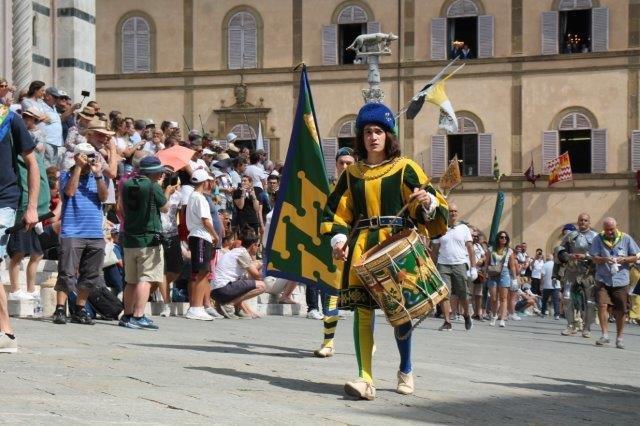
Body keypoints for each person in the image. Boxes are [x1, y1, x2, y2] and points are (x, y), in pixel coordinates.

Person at [321, 102, 448, 400]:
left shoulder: (406, 168)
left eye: (378, 131)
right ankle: (365, 378)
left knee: (400, 311)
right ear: (361, 137)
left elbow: (431, 202)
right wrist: (338, 240)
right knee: (363, 312)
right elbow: (336, 212)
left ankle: (405, 368)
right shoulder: (352, 173)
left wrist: (427, 202)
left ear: (388, 135)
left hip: (396, 244)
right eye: (367, 132)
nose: (373, 137)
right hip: (363, 247)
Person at [0, 99, 40, 353]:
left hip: (3, 200)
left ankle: (6, 332)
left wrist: (32, 207)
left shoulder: (8, 117)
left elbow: (32, 163)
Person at [53, 142, 108, 325]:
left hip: (95, 232)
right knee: (66, 272)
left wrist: (98, 174)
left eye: (92, 155)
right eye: (86, 155)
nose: (89, 159)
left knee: (90, 275)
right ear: (77, 156)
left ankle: (80, 309)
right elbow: (69, 192)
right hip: (72, 231)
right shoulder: (66, 175)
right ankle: (60, 309)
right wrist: (78, 167)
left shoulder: (98, 176)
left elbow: (104, 197)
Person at [119, 157, 174, 329]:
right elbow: (165, 208)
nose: (161, 175)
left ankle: (127, 315)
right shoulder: (153, 186)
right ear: (154, 172)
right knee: (146, 279)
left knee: (131, 280)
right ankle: (138, 315)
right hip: (148, 238)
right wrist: (167, 192)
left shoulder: (127, 184)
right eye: (160, 172)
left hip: (129, 238)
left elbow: (120, 208)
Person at [313, 146, 356, 357]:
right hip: (335, 246)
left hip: (359, 246)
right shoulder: (329, 190)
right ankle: (328, 342)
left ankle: (369, 343)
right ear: (336, 165)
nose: (345, 166)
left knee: (364, 300)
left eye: (349, 163)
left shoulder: (362, 187)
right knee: (330, 294)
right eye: (342, 163)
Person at [7, 108, 51, 302]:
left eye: (31, 118)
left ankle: (31, 290)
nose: (27, 121)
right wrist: (27, 207)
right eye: (24, 117)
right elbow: (23, 179)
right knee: (17, 253)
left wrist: (39, 207)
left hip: (35, 209)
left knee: (37, 253)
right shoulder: (15, 148)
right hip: (22, 208)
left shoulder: (34, 148)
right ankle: (15, 289)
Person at [589, 217, 639, 349]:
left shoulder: (626, 238)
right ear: (603, 229)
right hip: (603, 279)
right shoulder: (598, 239)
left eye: (611, 229)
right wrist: (605, 259)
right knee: (602, 305)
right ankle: (605, 335)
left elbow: (636, 256)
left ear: (616, 226)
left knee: (621, 310)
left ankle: (619, 338)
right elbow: (593, 258)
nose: (609, 232)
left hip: (621, 280)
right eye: (607, 229)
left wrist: (625, 259)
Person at [432, 203, 476, 331]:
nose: (453, 213)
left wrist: (473, 268)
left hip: (460, 264)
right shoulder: (439, 227)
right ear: (446, 213)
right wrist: (433, 268)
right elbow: (435, 250)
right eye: (451, 211)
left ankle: (466, 315)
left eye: (455, 211)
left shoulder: (464, 228)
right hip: (443, 265)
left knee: (463, 294)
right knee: (444, 294)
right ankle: (447, 322)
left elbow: (470, 248)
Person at [185, 169, 220, 321]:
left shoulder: (194, 196)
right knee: (202, 272)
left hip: (198, 236)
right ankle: (196, 307)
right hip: (200, 236)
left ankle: (196, 306)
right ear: (204, 182)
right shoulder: (199, 198)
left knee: (201, 273)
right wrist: (215, 235)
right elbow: (205, 220)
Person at [557, 214, 598, 338]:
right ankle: (570, 325)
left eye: (585, 220)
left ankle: (587, 328)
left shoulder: (596, 236)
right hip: (572, 269)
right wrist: (567, 256)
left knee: (590, 301)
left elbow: (600, 254)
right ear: (578, 221)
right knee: (566, 297)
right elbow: (560, 249)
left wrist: (586, 256)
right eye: (581, 220)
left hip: (588, 271)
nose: (583, 222)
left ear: (589, 222)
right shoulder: (570, 235)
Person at [212, 228, 266, 319]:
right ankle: (229, 305)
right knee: (262, 286)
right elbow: (257, 276)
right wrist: (265, 268)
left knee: (244, 282)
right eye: (258, 245)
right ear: (253, 245)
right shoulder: (242, 253)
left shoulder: (237, 251)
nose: (258, 248)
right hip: (222, 289)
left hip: (216, 291)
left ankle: (237, 309)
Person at [485, 231, 518, 327]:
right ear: (498, 238)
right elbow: (486, 263)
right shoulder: (490, 249)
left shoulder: (509, 251)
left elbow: (512, 266)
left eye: (505, 237)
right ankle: (494, 316)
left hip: (504, 273)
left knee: (503, 298)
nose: (503, 239)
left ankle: (502, 319)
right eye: (501, 237)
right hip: (493, 272)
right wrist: (485, 273)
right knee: (493, 297)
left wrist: (514, 279)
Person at [540, 254, 560, 318]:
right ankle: (557, 315)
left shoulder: (545, 265)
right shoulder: (557, 265)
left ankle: (543, 313)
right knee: (556, 300)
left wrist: (541, 285)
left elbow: (542, 275)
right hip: (556, 285)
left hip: (547, 285)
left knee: (544, 300)